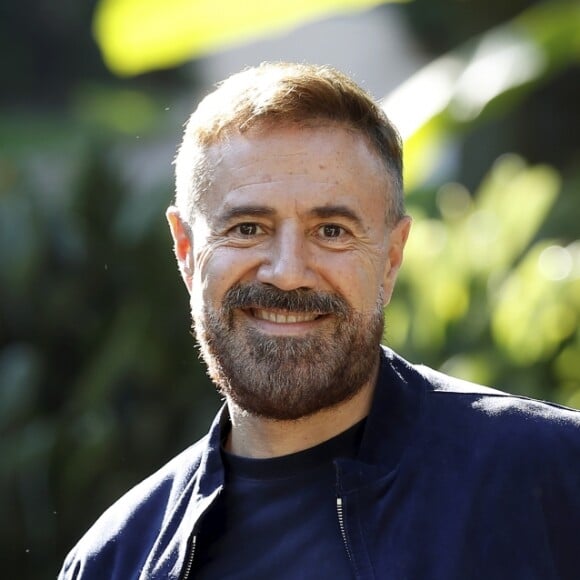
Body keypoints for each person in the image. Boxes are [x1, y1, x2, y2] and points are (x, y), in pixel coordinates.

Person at [59, 62, 580, 580]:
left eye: (331, 231)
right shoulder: (115, 560)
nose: (288, 274)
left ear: (391, 258)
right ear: (186, 250)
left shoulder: (552, 475)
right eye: (247, 228)